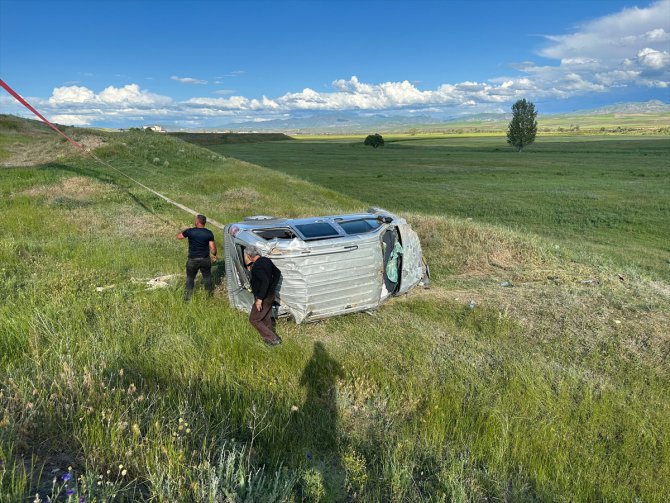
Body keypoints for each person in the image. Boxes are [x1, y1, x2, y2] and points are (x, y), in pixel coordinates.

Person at [244, 246, 282, 346]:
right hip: (270, 294)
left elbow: (265, 281)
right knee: (265, 318)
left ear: (249, 255)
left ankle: (273, 338)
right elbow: (277, 273)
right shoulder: (266, 260)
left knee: (254, 319)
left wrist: (259, 299)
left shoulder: (257, 266)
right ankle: (269, 340)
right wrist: (272, 287)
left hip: (263, 297)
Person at [177, 214, 217, 300]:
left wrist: (186, 230)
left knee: (190, 279)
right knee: (207, 278)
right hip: (205, 259)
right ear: (204, 223)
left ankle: (187, 297)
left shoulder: (190, 231)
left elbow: (179, 237)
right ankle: (209, 296)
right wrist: (214, 255)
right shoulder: (209, 233)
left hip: (192, 260)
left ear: (197, 222)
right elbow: (213, 248)